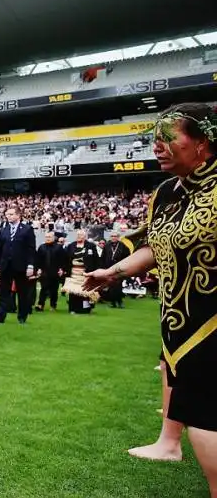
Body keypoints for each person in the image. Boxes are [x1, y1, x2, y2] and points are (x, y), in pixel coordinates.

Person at [84, 103, 217, 494]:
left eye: (168, 138)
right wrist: (115, 272)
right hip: (180, 321)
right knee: (201, 411)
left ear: (203, 142)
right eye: (153, 140)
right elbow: (156, 247)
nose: (157, 147)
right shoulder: (165, 193)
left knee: (208, 417)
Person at [0, 206, 35, 325]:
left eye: (11, 214)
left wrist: (30, 266)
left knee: (22, 292)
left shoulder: (27, 229)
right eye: (7, 214)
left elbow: (31, 249)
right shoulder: (4, 229)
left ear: (18, 215)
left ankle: (22, 317)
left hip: (21, 266)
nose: (8, 216)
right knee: (3, 291)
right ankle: (0, 317)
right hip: (6, 266)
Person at [62, 230, 100, 314]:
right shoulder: (71, 246)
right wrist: (64, 270)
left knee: (85, 291)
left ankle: (85, 309)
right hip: (73, 272)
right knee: (73, 291)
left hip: (86, 272)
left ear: (85, 236)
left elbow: (96, 259)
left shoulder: (91, 246)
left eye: (81, 235)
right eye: (78, 235)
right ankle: (72, 309)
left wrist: (96, 271)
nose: (79, 236)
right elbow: (66, 259)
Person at [34, 231, 66, 312]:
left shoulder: (58, 247)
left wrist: (61, 269)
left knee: (54, 290)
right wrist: (38, 269)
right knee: (43, 288)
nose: (47, 238)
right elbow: (38, 260)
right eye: (46, 237)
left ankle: (53, 305)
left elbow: (62, 260)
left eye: (49, 237)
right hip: (44, 271)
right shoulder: (41, 247)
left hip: (55, 271)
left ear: (53, 238)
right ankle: (40, 305)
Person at [100, 231, 130, 308]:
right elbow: (103, 257)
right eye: (112, 236)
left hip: (119, 268)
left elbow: (127, 256)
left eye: (115, 236)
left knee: (118, 285)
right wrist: (103, 268)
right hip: (109, 268)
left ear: (118, 237)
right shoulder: (107, 245)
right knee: (111, 285)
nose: (113, 237)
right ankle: (113, 302)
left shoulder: (122, 245)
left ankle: (119, 301)